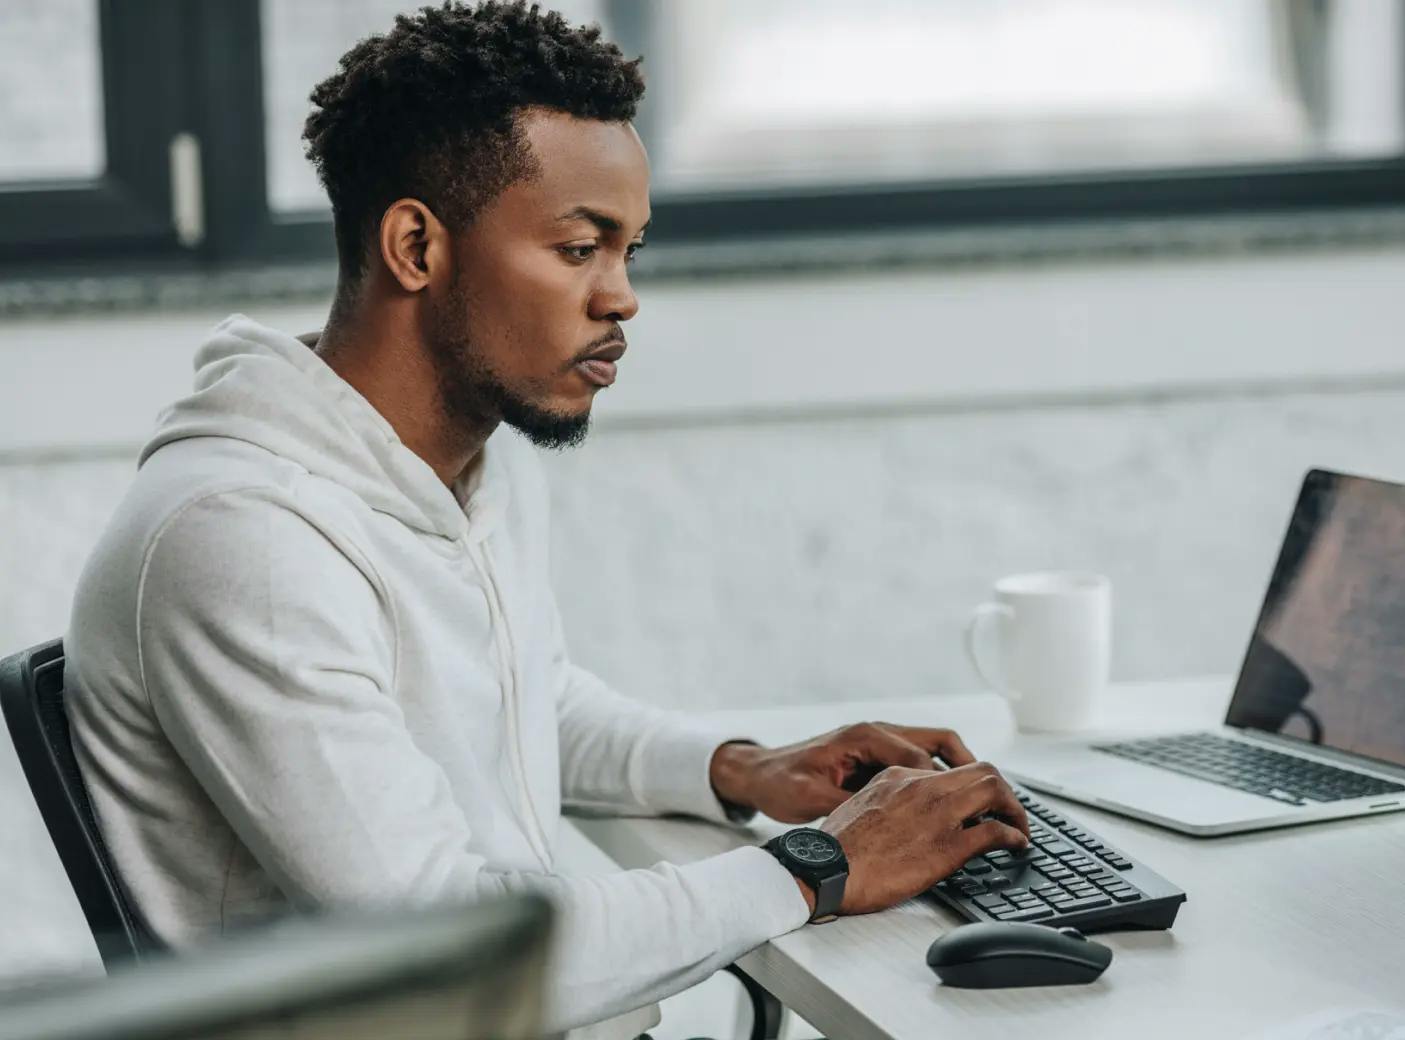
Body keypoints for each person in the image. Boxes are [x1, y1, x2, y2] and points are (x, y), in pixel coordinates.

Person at [64, 3, 1030, 1037]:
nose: (622, 297)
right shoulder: (243, 540)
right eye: (579, 248)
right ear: (416, 245)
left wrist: (741, 766)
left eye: (629, 250)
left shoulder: (463, 458)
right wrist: (820, 863)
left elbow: (523, 695)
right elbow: (446, 948)